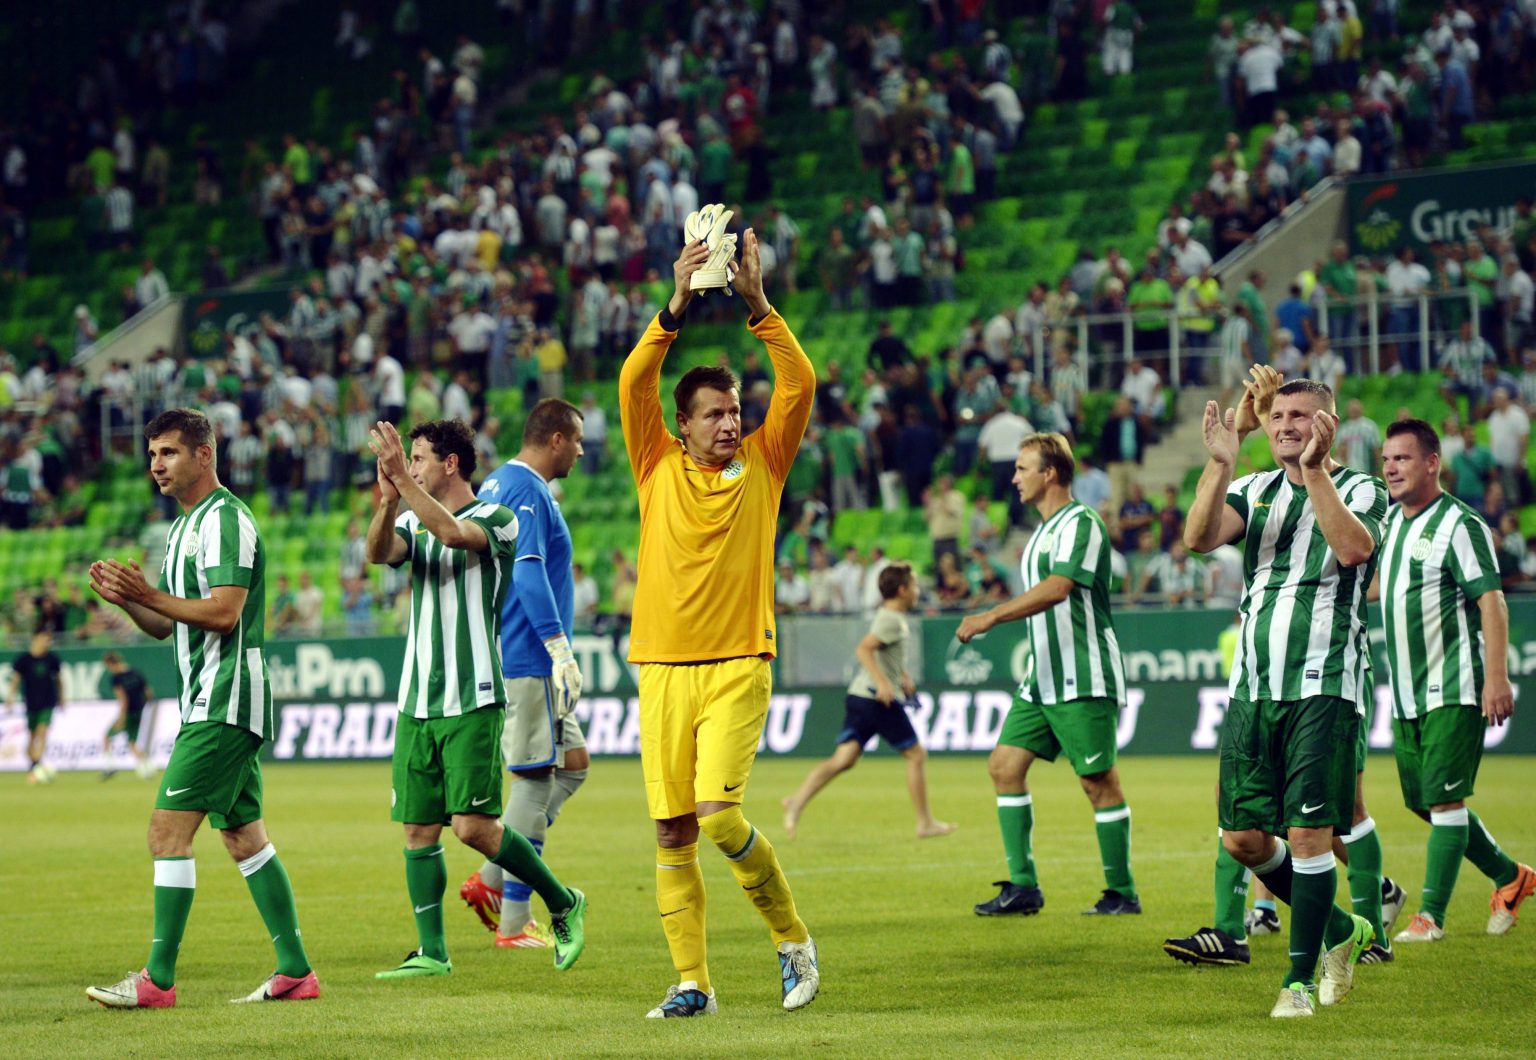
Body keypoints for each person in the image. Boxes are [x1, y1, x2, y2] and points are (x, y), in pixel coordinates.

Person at [618, 229, 818, 1018]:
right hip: (662, 669)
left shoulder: (761, 464)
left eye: (735, 412)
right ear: (683, 424)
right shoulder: (655, 464)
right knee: (672, 833)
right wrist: (675, 305)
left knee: (719, 817)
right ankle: (692, 982)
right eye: (714, 414)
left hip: (738, 662)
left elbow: (799, 382)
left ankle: (792, 941)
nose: (730, 424)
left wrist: (758, 306)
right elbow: (634, 381)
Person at [85, 408, 319, 1007]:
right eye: (152, 455)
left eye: (168, 452)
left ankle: (157, 980)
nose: (156, 465)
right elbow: (168, 625)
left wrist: (149, 592)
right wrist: (129, 601)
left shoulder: (226, 520)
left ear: (204, 454)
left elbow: (224, 612)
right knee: (244, 838)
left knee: (166, 833)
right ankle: (295, 972)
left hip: (226, 696)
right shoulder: (183, 528)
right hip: (207, 699)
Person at [1181, 370, 1384, 1017]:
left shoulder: (1363, 488)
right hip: (1253, 686)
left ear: (1327, 424)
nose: (1286, 426)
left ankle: (1298, 983)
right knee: (1241, 838)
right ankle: (1342, 929)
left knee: (1308, 833)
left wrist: (1316, 471)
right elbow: (1197, 538)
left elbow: (1353, 550)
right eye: (1277, 417)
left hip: (1324, 683)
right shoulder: (1254, 489)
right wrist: (1222, 460)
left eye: (1300, 416)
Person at [365, 418, 586, 978]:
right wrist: (388, 501)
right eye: (409, 459)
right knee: (418, 829)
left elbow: (453, 536)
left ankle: (562, 901)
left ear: (451, 463)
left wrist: (402, 483)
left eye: (419, 458)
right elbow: (378, 552)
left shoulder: (498, 518)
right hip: (417, 696)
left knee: (473, 828)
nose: (412, 467)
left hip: (474, 693)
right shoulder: (412, 519)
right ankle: (432, 952)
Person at [957, 432, 1140, 919]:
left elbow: (1059, 588)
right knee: (1004, 767)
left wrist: (991, 616)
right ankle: (1023, 887)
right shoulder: (1041, 531)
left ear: (1050, 473)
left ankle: (1122, 892)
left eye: (1022, 469)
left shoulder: (1082, 523)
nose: (1014, 478)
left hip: (1083, 674)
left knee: (1098, 783)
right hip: (1042, 677)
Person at [1374, 420, 1535, 943]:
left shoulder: (1460, 524)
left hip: (1454, 683)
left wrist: (1496, 677)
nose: (1390, 468)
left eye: (1401, 458)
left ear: (1432, 463)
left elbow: (1492, 601)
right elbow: (1381, 587)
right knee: (1425, 802)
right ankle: (1511, 876)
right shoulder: (1391, 523)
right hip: (1405, 692)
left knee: (1445, 802)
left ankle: (1430, 917)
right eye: (1386, 460)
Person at [459, 399, 592, 949]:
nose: (581, 451)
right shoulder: (529, 491)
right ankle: (513, 921)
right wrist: (558, 648)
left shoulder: (496, 484)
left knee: (573, 765)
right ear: (556, 438)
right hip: (529, 654)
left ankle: (492, 877)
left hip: (514, 649)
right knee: (535, 781)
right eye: (577, 440)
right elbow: (530, 571)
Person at [780, 563, 956, 841]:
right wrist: (884, 683)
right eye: (914, 585)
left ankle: (796, 802)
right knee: (916, 755)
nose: (917, 591)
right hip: (877, 699)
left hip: (860, 696)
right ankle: (924, 823)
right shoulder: (891, 619)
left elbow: (885, 654)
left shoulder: (889, 616)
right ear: (902, 590)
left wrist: (902, 676)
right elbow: (864, 649)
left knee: (844, 759)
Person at [10, 629, 62, 783]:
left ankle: (36, 765)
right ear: (35, 639)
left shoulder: (52, 659)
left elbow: (59, 679)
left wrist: (62, 697)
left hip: (48, 701)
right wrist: (10, 697)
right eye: (44, 639)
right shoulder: (24, 659)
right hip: (31, 702)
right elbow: (16, 680)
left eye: (49, 640)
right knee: (32, 736)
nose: (47, 643)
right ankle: (33, 764)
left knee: (42, 733)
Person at [101, 650, 154, 781]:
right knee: (132, 742)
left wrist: (122, 717)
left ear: (111, 663)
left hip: (128, 713)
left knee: (107, 736)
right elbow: (148, 693)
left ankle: (109, 767)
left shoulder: (116, 678)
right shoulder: (135, 672)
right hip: (139, 711)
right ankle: (147, 767)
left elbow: (123, 699)